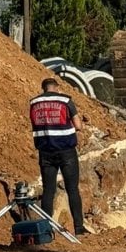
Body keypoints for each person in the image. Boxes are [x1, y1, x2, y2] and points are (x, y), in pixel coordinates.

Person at [28, 78, 89, 235]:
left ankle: (46, 229)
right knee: (72, 189)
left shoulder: (34, 103)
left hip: (45, 152)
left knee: (48, 190)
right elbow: (78, 125)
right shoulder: (65, 100)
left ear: (43, 88)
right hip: (66, 150)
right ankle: (79, 227)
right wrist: (80, 126)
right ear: (56, 87)